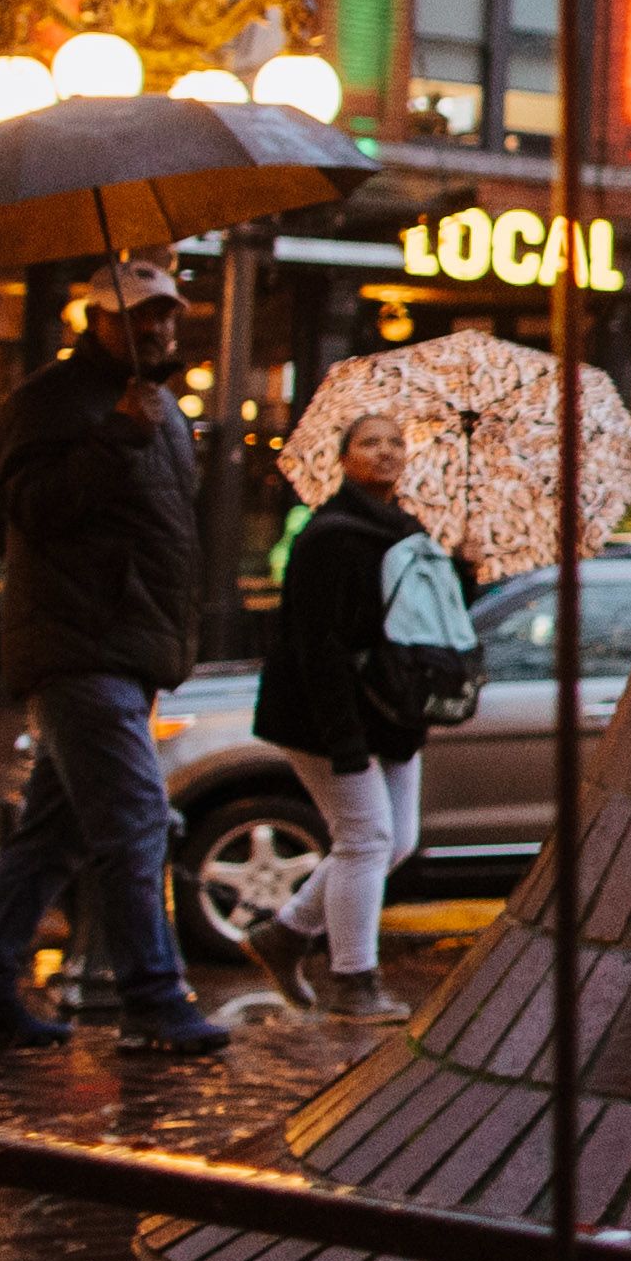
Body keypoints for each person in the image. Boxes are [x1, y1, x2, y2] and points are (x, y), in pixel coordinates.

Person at [0, 256, 227, 1057]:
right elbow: (34, 509)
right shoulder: (51, 401)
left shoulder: (162, 407)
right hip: (79, 645)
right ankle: (152, 999)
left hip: (127, 647)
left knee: (50, 838)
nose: (159, 330)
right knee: (135, 820)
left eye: (166, 315)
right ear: (95, 322)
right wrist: (118, 434)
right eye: (140, 319)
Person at [251, 407, 446, 1019]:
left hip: (389, 711)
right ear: (343, 458)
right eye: (370, 442)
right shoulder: (329, 535)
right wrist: (344, 739)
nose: (386, 452)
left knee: (396, 839)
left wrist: (455, 570)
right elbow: (318, 647)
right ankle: (352, 980)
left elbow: (416, 624)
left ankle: (284, 935)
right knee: (365, 837)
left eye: (395, 441)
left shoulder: (408, 531)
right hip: (326, 714)